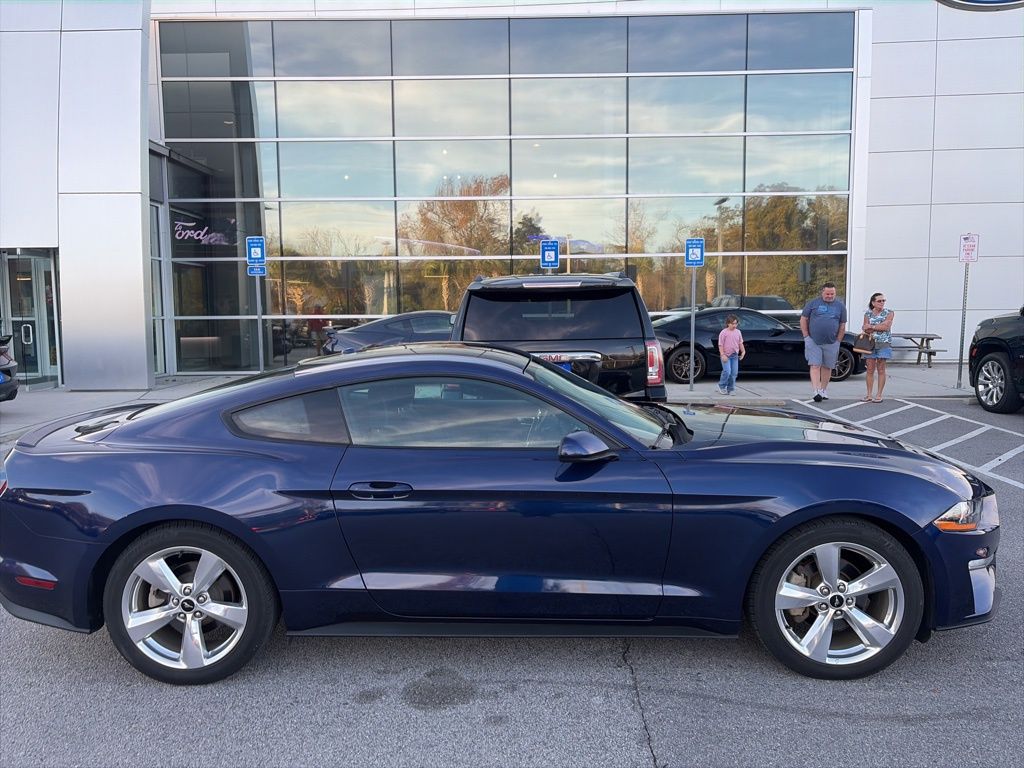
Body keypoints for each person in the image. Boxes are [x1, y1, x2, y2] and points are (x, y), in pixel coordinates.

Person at [799, 282, 847, 402]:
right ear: (822, 292)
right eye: (827, 293)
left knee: (827, 366)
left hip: (831, 342)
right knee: (815, 365)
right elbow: (803, 319)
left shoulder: (840, 306)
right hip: (814, 341)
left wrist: (838, 341)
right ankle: (815, 391)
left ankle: (823, 390)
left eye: (832, 294)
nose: (830, 296)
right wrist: (806, 336)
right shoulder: (813, 303)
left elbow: (842, 325)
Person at [862, 292, 894, 402]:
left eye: (883, 301)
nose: (882, 303)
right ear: (873, 302)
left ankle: (879, 394)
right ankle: (869, 394)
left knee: (881, 368)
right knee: (870, 369)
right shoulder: (868, 314)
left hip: (883, 343)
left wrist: (872, 326)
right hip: (870, 343)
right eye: (879, 301)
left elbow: (886, 326)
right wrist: (875, 327)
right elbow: (865, 328)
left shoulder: (889, 313)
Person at [716, 314, 745, 395]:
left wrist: (743, 352)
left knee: (734, 373)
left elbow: (740, 343)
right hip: (726, 356)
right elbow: (720, 345)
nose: (734, 325)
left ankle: (731, 389)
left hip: (734, 356)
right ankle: (721, 386)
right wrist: (722, 355)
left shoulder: (738, 332)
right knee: (727, 371)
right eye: (732, 323)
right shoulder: (723, 332)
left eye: (736, 323)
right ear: (728, 323)